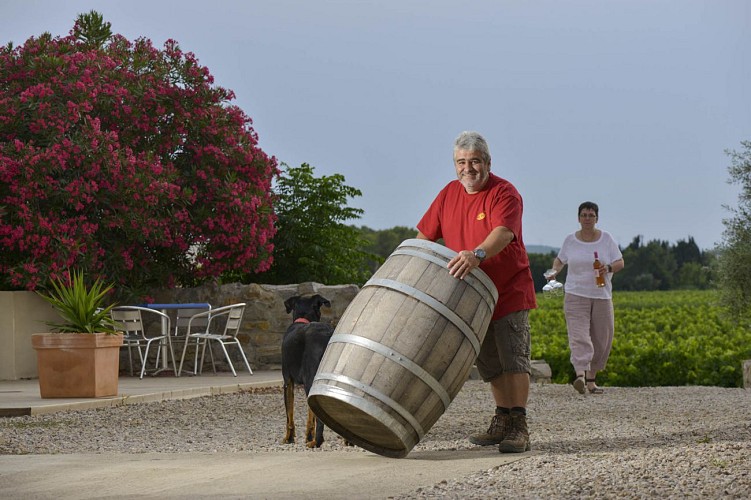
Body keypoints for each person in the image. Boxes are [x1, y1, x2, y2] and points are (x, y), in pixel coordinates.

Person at [416, 131, 537, 454]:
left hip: (508, 290)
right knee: (490, 364)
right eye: (461, 162)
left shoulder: (504, 193)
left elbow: (503, 232)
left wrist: (476, 254)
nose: (467, 168)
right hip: (470, 297)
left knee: (514, 360)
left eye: (474, 162)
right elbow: (423, 236)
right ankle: (501, 419)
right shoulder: (448, 195)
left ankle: (519, 425)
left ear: (487, 163)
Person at [546, 201, 624, 394]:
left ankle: (591, 380)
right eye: (584, 215)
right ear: (578, 218)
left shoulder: (606, 239)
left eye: (591, 215)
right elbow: (559, 260)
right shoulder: (570, 240)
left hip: (602, 295)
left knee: (602, 338)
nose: (587, 218)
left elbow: (620, 262)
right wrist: (554, 272)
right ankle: (580, 375)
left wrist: (609, 268)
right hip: (575, 294)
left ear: (597, 218)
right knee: (579, 335)